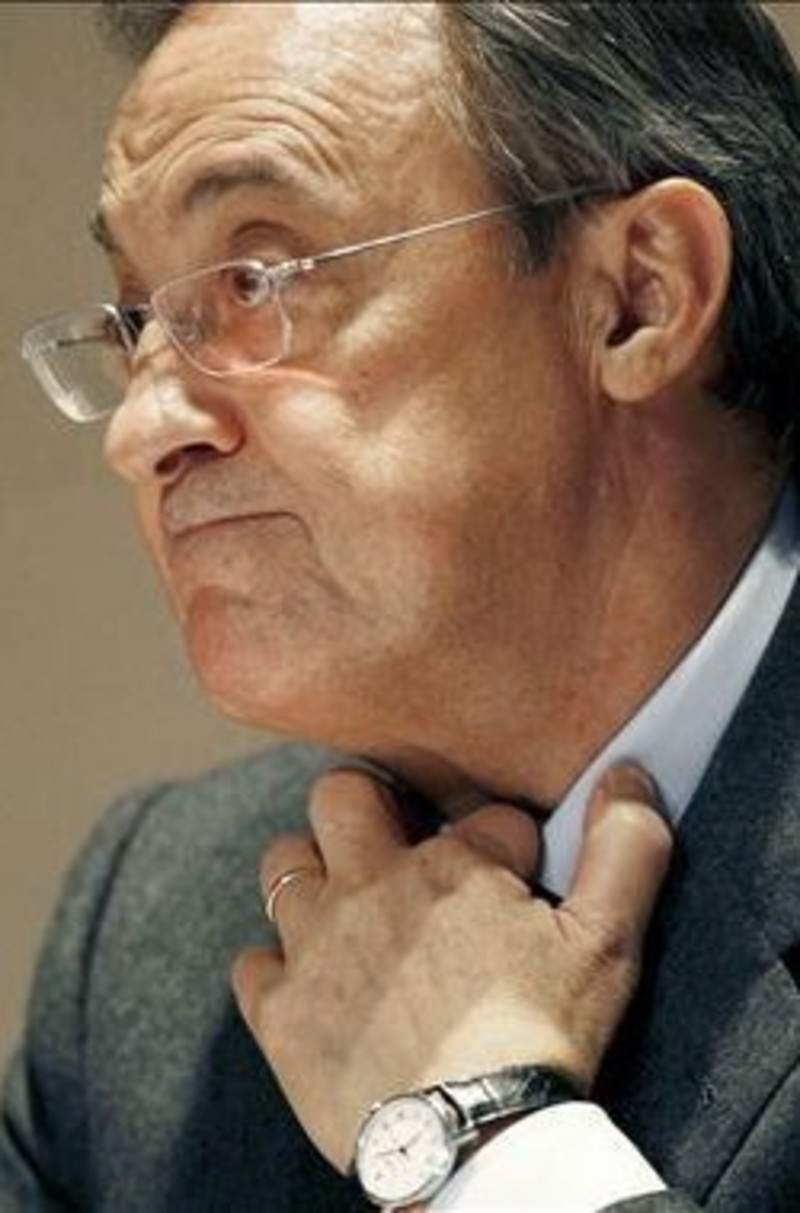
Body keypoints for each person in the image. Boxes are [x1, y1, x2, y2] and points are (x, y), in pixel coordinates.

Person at [3, 0, 800, 1209]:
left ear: (637, 294)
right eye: (138, 320)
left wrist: (487, 1144)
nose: (143, 429)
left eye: (255, 277)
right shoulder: (153, 940)